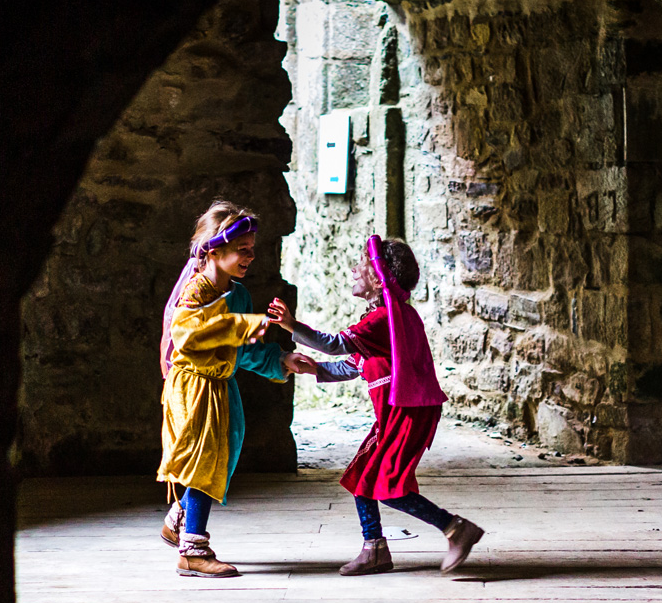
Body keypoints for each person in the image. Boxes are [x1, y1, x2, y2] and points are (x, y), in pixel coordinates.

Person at [268, 236, 484, 576]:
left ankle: (456, 529)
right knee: (363, 478)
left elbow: (335, 344)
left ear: (380, 277)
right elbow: (353, 364)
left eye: (361, 264)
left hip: (408, 413)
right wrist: (316, 369)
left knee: (388, 485)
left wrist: (292, 326)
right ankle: (375, 550)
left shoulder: (385, 320)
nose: (353, 269)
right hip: (395, 414)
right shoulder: (387, 320)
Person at [156, 201, 313, 577]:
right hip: (194, 389)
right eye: (242, 249)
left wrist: (280, 360)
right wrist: (239, 326)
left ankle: (179, 518)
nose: (250, 256)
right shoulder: (195, 293)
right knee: (203, 463)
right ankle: (193, 550)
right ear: (214, 249)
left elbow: (244, 352)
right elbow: (188, 335)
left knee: (218, 460)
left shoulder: (238, 295)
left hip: (221, 386)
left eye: (252, 250)